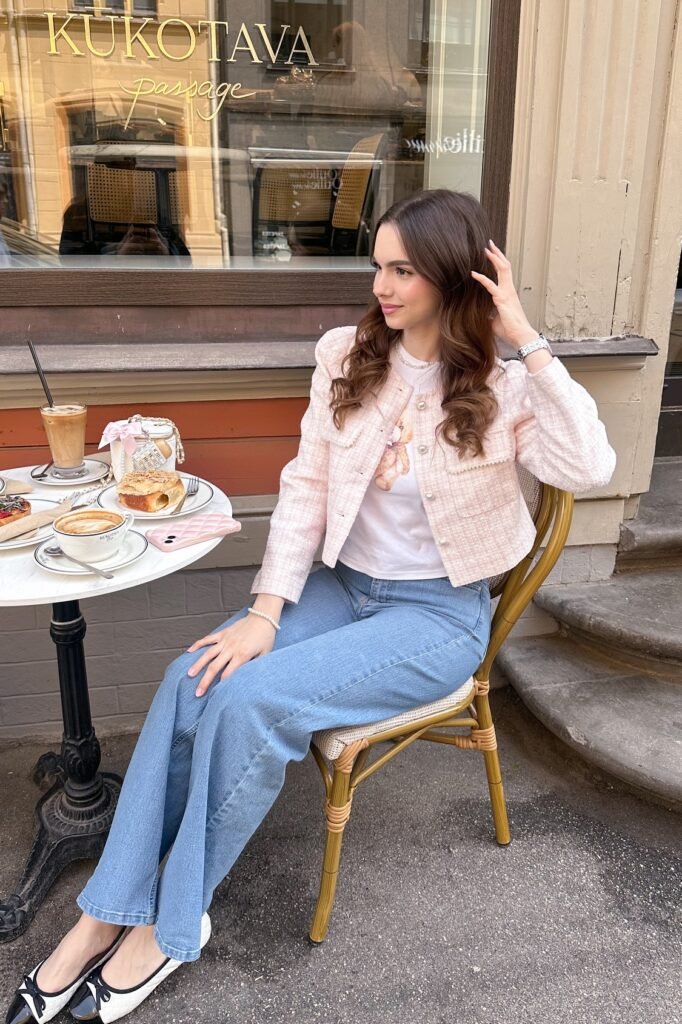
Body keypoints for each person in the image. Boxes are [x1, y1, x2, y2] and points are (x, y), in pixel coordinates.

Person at [5, 188, 616, 1024]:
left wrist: (526, 337)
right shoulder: (345, 356)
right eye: (379, 267)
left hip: (434, 619)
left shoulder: (504, 388)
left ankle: (165, 932)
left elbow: (588, 465)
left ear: (450, 276)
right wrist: (264, 611)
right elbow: (305, 489)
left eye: (403, 270)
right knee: (194, 678)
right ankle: (101, 916)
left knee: (252, 703)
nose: (384, 287)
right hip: (340, 589)